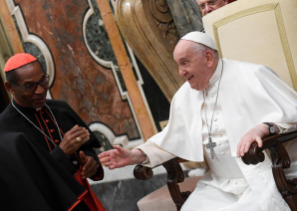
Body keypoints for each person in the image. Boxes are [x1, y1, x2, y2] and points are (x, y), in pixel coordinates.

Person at [99, 32, 297, 211]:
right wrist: (136, 154)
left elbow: (292, 111)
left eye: (185, 63)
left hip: (261, 179)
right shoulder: (184, 96)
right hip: (218, 185)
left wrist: (264, 128)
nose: (180, 72)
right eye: (178, 65)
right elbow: (172, 137)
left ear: (208, 58)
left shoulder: (252, 75)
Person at [0, 53, 105, 211]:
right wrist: (61, 152)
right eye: (30, 86)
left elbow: (88, 148)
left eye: (42, 81)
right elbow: (21, 184)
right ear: (10, 87)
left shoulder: (61, 108)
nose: (40, 90)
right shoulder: (1, 130)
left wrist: (91, 162)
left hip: (83, 199)